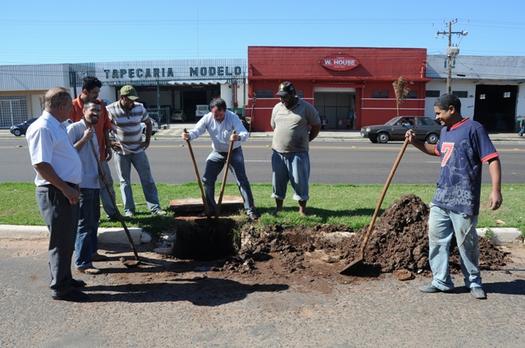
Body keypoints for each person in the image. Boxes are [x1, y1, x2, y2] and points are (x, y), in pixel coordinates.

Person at [405, 94, 502, 300]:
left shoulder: (474, 129)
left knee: (467, 243)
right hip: (441, 196)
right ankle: (441, 281)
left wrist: (496, 190)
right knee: (437, 239)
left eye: (439, 113)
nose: (437, 117)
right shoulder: (445, 131)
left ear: (451, 109)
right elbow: (437, 151)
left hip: (464, 199)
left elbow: (491, 159)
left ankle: (473, 282)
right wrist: (415, 142)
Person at [26, 87, 89, 302]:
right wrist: (65, 188)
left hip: (65, 189)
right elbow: (41, 164)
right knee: (60, 242)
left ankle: (65, 278)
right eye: (70, 107)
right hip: (55, 191)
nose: (72, 111)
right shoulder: (43, 128)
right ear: (60, 106)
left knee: (67, 239)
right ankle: (60, 288)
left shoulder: (58, 125)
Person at [182, 98, 259, 220]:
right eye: (214, 115)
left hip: (234, 151)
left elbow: (244, 134)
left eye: (219, 114)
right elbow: (197, 130)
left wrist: (237, 137)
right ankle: (211, 208)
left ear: (225, 110)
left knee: (242, 180)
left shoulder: (232, 117)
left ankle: (250, 210)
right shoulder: (208, 118)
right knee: (207, 179)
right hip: (217, 152)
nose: (216, 117)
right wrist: (189, 135)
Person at [106, 85, 166, 217]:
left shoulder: (139, 107)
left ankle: (155, 208)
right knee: (124, 181)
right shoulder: (110, 109)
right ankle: (129, 210)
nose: (132, 103)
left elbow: (148, 123)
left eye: (133, 99)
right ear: (122, 97)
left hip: (138, 150)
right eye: (129, 100)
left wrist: (147, 141)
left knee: (147, 179)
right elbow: (105, 127)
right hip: (121, 151)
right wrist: (110, 142)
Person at [70, 76, 117, 221]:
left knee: (106, 183)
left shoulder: (100, 105)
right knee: (83, 188)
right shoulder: (71, 107)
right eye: (95, 92)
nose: (97, 96)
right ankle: (82, 216)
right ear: (85, 91)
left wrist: (108, 146)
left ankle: (113, 212)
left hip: (99, 155)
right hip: (79, 158)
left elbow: (105, 126)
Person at [270, 81, 321, 216]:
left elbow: (316, 125)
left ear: (293, 94)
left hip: (298, 153)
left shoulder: (306, 108)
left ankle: (302, 210)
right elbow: (273, 125)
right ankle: (279, 208)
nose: (282, 99)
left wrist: (308, 139)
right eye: (280, 96)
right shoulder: (277, 108)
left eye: (285, 96)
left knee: (300, 182)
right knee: (278, 181)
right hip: (278, 153)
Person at [67, 102, 103, 275]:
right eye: (93, 110)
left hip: (94, 181)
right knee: (84, 224)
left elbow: (92, 157)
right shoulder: (74, 128)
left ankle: (92, 253)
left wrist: (100, 171)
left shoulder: (93, 130)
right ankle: (82, 262)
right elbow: (67, 153)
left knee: (94, 220)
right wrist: (84, 138)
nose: (96, 113)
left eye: (98, 111)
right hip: (82, 183)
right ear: (84, 111)